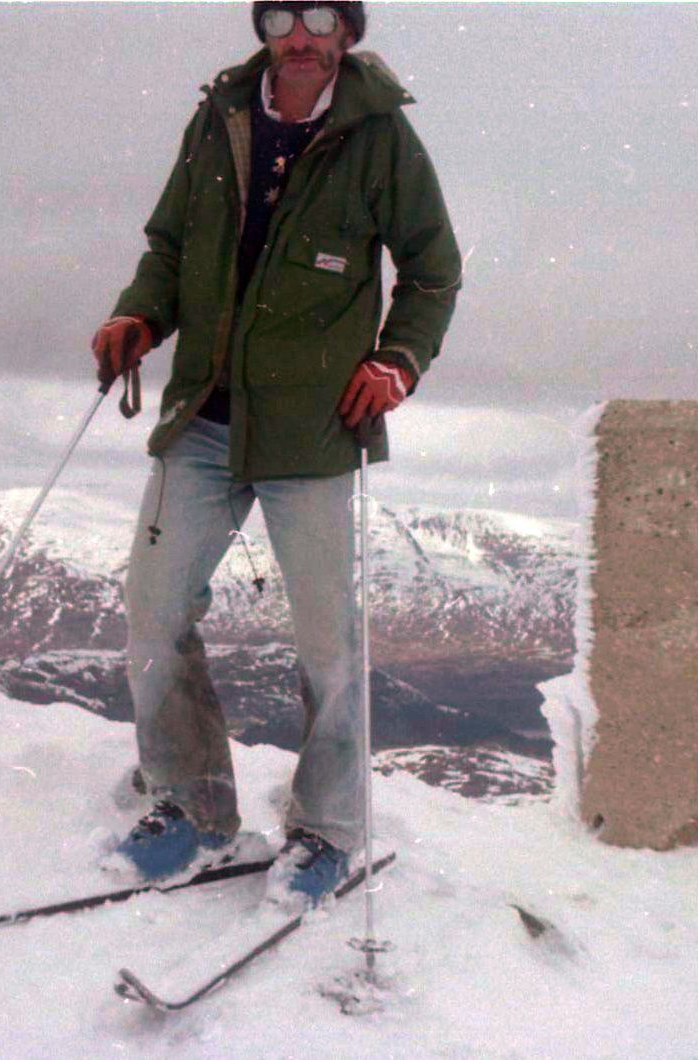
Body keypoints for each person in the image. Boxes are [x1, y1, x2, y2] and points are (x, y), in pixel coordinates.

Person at [91, 1, 461, 907]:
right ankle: (192, 810)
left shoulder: (381, 138)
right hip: (205, 419)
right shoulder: (219, 116)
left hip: (313, 429)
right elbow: (171, 245)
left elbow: (431, 268)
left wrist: (396, 358)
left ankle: (328, 830)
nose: (299, 36)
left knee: (329, 646)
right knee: (152, 614)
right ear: (264, 27)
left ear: (348, 33)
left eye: (321, 17)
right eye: (282, 16)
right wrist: (140, 313)